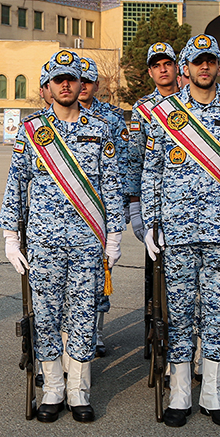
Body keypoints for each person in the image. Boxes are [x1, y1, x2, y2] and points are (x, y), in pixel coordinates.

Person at [141, 34, 220, 428]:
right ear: (186, 69)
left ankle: (212, 394)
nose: (204, 67)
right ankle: (180, 394)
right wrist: (150, 223)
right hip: (176, 232)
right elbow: (152, 172)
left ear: (218, 66)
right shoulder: (165, 113)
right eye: (197, 62)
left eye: (210, 61)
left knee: (218, 314)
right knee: (177, 315)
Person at [0, 49, 125, 423]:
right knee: (48, 316)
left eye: (72, 78)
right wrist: (10, 235)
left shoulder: (100, 129)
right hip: (44, 242)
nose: (67, 84)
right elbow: (16, 183)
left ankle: (79, 390)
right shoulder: (31, 130)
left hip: (88, 243)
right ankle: (53, 389)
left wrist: (114, 236)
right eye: (59, 80)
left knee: (84, 316)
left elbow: (112, 187)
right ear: (48, 88)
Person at [128, 42, 180, 357]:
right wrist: (135, 207)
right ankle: (153, 325)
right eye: (156, 64)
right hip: (154, 202)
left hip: (186, 204)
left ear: (177, 67)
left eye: (167, 63)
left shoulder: (190, 105)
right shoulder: (142, 110)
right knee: (155, 271)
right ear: (150, 72)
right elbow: (135, 159)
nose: (163, 68)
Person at [78, 56, 129, 357]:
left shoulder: (111, 118)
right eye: (78, 79)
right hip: (69, 209)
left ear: (97, 84)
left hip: (99, 211)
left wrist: (119, 211)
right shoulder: (53, 116)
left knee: (100, 273)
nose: (82, 86)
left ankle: (95, 329)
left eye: (88, 80)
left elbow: (121, 164)